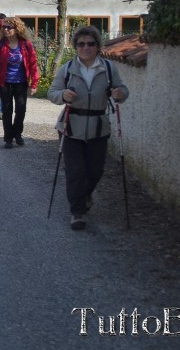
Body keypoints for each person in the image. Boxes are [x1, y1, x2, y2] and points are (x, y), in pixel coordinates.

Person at [47, 26, 129, 231]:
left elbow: (123, 91)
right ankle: (77, 212)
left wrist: (120, 94)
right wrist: (63, 95)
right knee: (76, 171)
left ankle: (85, 195)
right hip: (71, 125)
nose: (86, 47)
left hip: (98, 127)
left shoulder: (108, 68)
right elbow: (52, 93)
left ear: (97, 46)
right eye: (81, 44)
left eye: (90, 44)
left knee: (95, 171)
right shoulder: (67, 69)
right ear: (75, 46)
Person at [0, 17, 39, 149]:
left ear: (17, 29)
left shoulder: (26, 44)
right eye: (4, 27)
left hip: (21, 82)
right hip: (4, 83)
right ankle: (8, 138)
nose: (5, 30)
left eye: (9, 27)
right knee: (7, 110)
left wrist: (34, 83)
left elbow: (33, 64)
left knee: (21, 109)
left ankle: (18, 134)